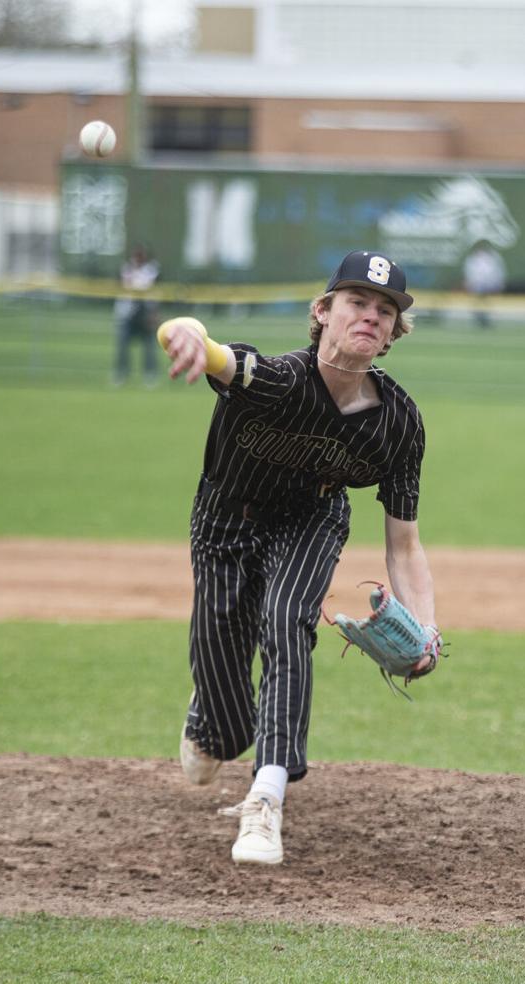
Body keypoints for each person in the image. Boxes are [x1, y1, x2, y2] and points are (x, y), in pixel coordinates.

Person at [158, 250, 440, 866]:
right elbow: (222, 357)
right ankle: (215, 718)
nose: (371, 315)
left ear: (394, 333)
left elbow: (405, 541)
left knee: (287, 621)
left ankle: (265, 802)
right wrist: (185, 332)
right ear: (322, 312)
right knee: (225, 726)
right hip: (225, 521)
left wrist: (427, 631)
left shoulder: (398, 425)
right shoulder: (278, 379)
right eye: (357, 302)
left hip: (312, 519)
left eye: (385, 310)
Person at [113, 246, 161, 386]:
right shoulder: (126, 269)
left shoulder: (151, 271)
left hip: (146, 314)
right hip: (127, 314)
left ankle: (150, 375)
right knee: (122, 346)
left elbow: (154, 292)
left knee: (149, 347)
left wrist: (154, 314)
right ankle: (121, 374)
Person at [462, 241, 506, 329]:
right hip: (477, 285)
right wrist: (470, 283)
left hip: (490, 284)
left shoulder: (494, 257)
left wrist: (498, 282)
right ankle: (479, 319)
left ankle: (487, 320)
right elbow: (469, 272)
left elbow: (498, 271)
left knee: (488, 303)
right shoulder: (473, 258)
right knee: (478, 303)